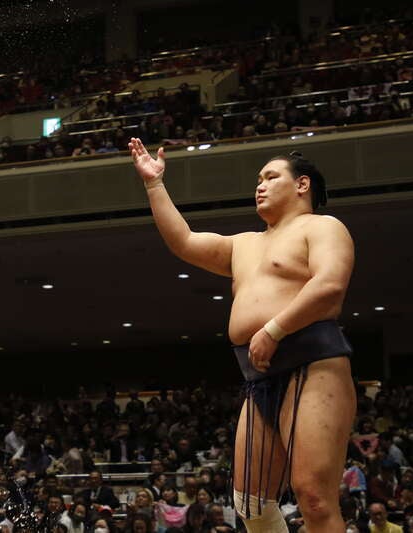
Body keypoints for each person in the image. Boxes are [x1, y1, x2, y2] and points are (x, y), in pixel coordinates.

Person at [129, 138, 356, 532]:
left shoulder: (322, 227)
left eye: (270, 177)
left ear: (302, 185)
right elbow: (183, 242)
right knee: (249, 504)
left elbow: (330, 286)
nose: (260, 185)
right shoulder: (243, 245)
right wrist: (154, 185)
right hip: (258, 376)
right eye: (258, 179)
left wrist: (275, 328)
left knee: (314, 497)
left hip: (313, 362)